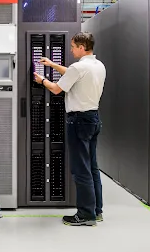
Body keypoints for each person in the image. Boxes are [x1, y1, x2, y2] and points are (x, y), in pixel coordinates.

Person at [33, 32, 106, 227]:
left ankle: (85, 214)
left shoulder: (78, 67)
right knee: (92, 167)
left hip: (79, 121)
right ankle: (96, 211)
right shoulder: (98, 65)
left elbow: (57, 89)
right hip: (93, 119)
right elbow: (74, 73)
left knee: (80, 169)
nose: (71, 49)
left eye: (73, 46)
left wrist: (41, 80)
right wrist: (52, 64)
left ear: (82, 47)